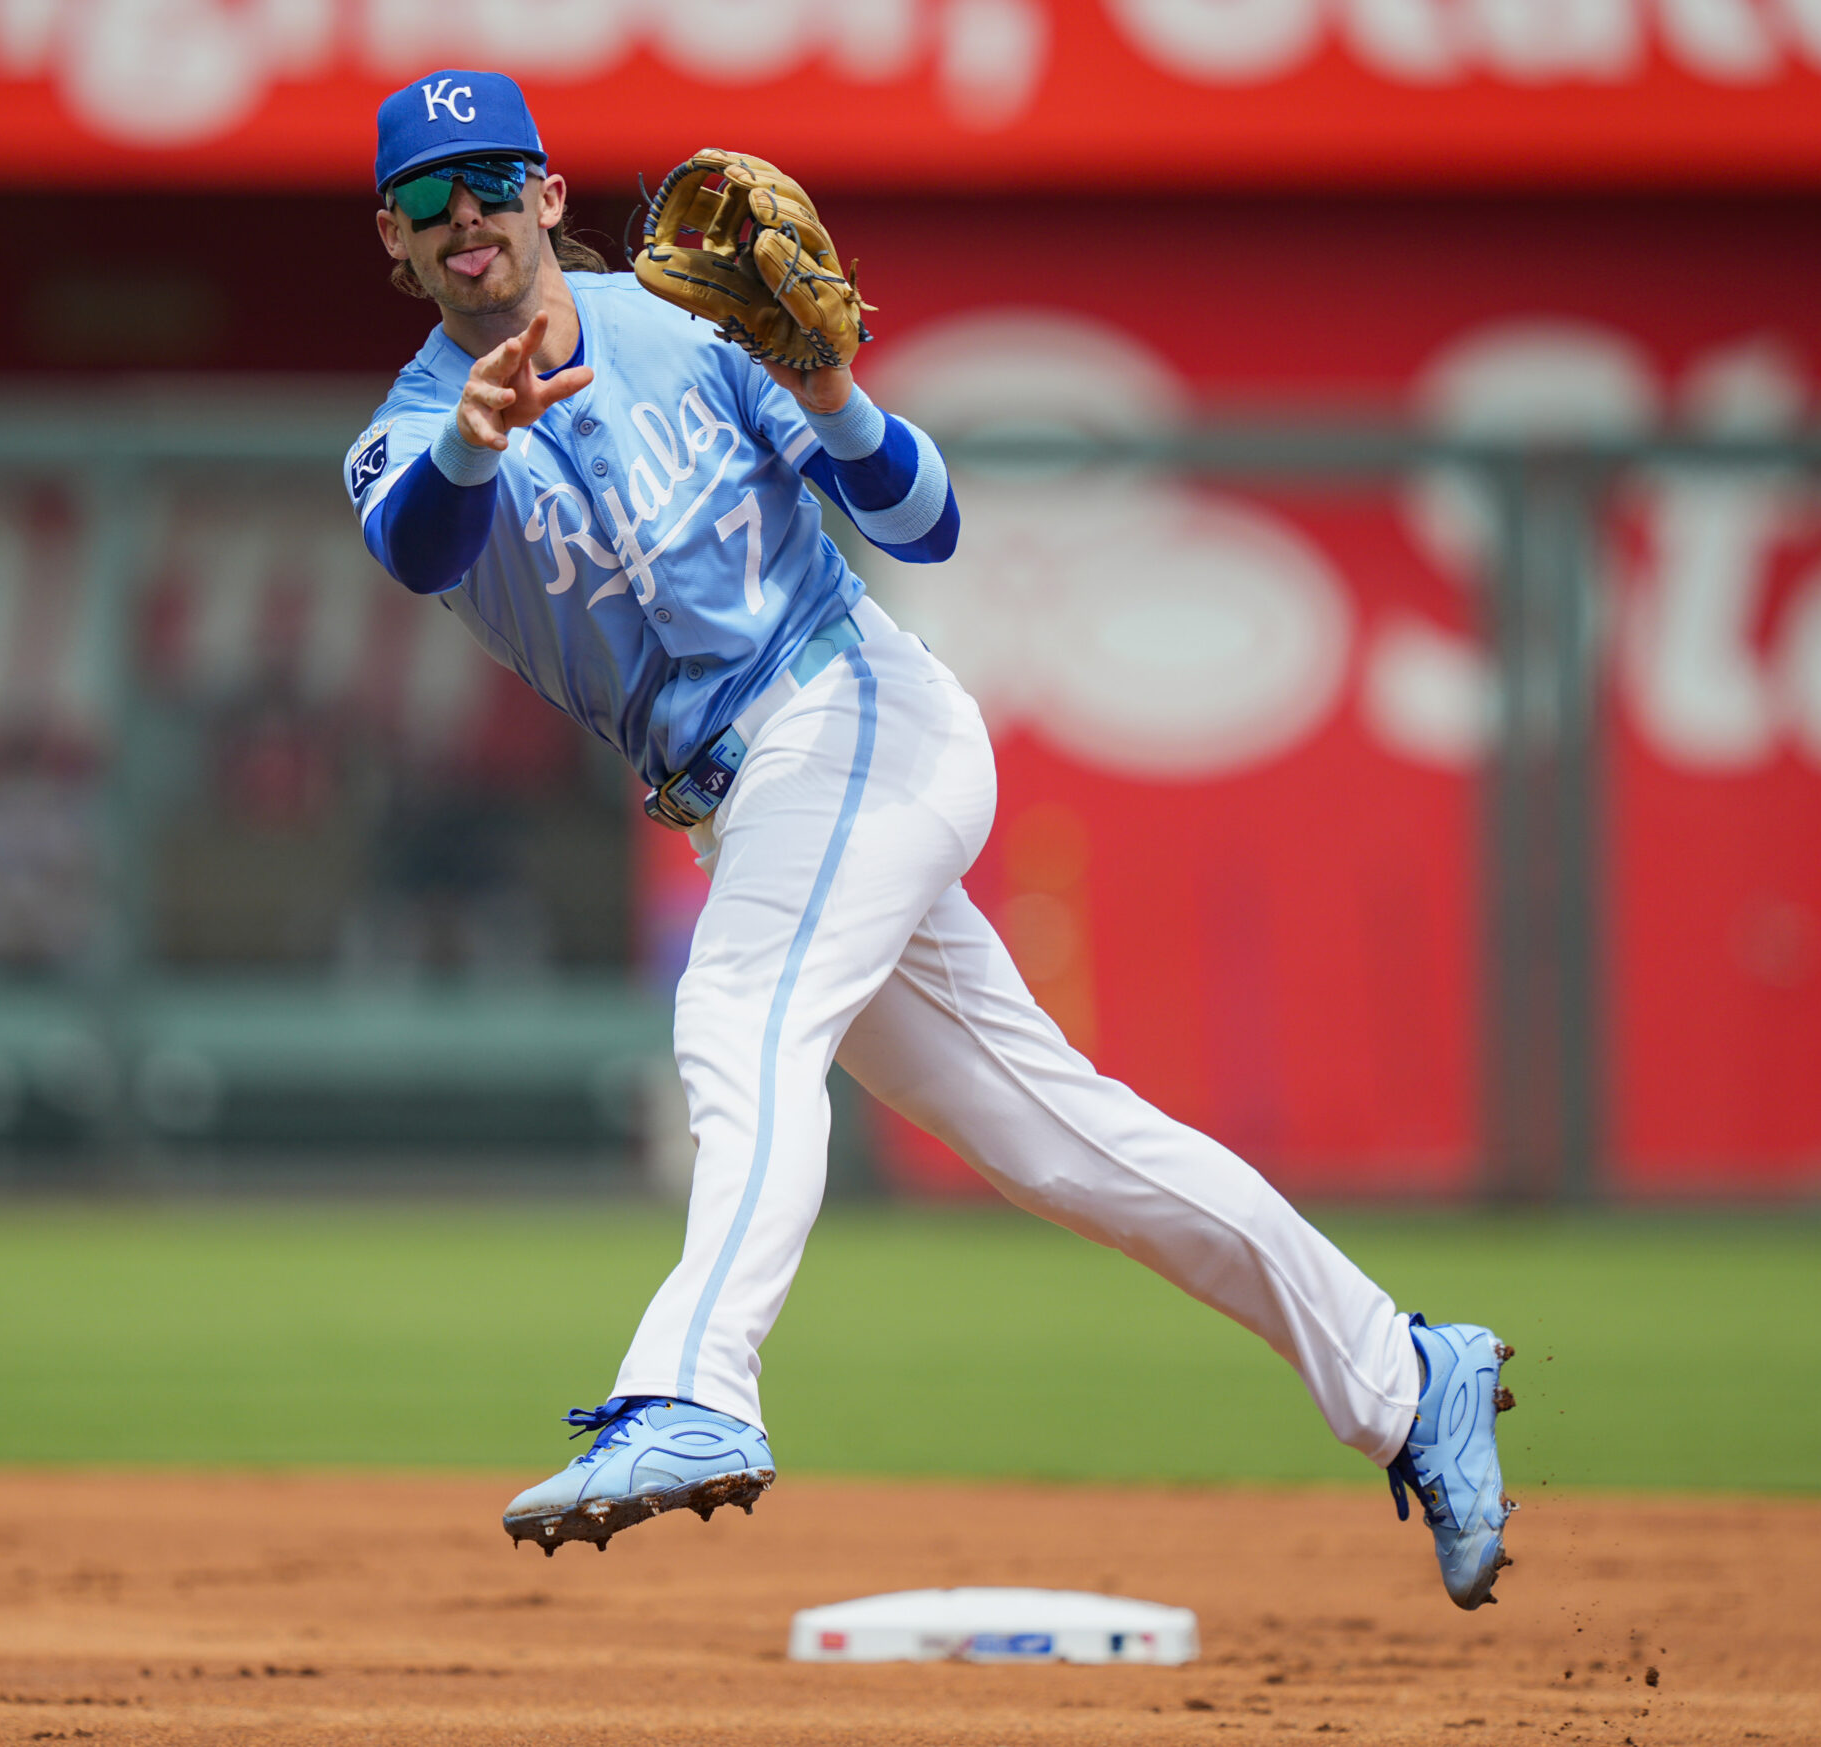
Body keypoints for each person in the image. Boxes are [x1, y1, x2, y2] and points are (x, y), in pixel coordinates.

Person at [345, 70, 1519, 1609]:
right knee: (1064, 1143)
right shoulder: (414, 434)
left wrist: (832, 389)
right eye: (429, 203)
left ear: (550, 195)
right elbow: (416, 542)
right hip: (745, 796)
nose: (467, 219)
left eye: (491, 181)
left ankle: (691, 1387)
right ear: (395, 240)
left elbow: (926, 524)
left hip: (852, 717)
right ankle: (1404, 1368)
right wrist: (478, 442)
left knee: (740, 1016)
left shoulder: (696, 326)